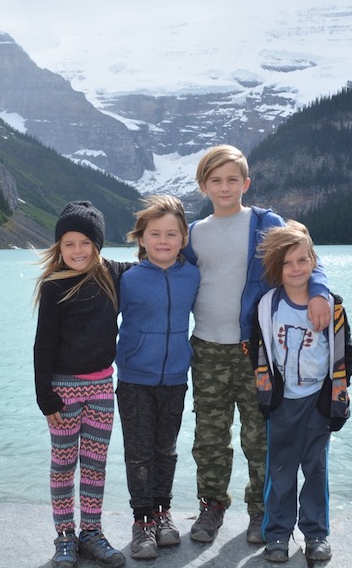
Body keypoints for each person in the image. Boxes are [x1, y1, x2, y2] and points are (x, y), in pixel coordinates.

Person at [180, 144, 332, 545]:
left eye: (232, 179)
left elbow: (308, 257)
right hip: (207, 348)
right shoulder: (194, 233)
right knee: (209, 434)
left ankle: (260, 511)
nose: (225, 187)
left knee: (259, 434)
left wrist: (318, 290)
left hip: (257, 352)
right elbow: (162, 265)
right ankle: (211, 506)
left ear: (246, 183)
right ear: (203, 186)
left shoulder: (266, 224)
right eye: (216, 180)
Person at [249, 220, 352, 563]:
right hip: (282, 404)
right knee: (279, 471)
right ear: (274, 267)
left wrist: (340, 391)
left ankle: (316, 534)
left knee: (315, 470)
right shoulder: (267, 306)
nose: (295, 269)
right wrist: (266, 393)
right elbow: (258, 348)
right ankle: (277, 534)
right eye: (286, 262)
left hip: (317, 403)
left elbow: (345, 352)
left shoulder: (331, 306)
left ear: (314, 261)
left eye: (302, 260)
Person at [33, 201, 128, 568]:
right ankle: (64, 537)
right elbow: (43, 344)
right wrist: (46, 398)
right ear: (59, 246)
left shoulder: (113, 275)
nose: (77, 251)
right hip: (63, 390)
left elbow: (152, 265)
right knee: (63, 463)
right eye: (69, 243)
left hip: (103, 387)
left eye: (85, 243)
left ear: (98, 245)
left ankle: (91, 532)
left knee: (94, 463)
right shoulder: (54, 287)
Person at [116, 195, 201, 560]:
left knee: (165, 449)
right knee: (138, 452)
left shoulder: (194, 276)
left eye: (171, 234)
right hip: (134, 378)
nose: (163, 241)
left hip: (175, 378)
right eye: (155, 234)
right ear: (142, 239)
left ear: (184, 237)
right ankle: (142, 521)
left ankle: (163, 513)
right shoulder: (128, 279)